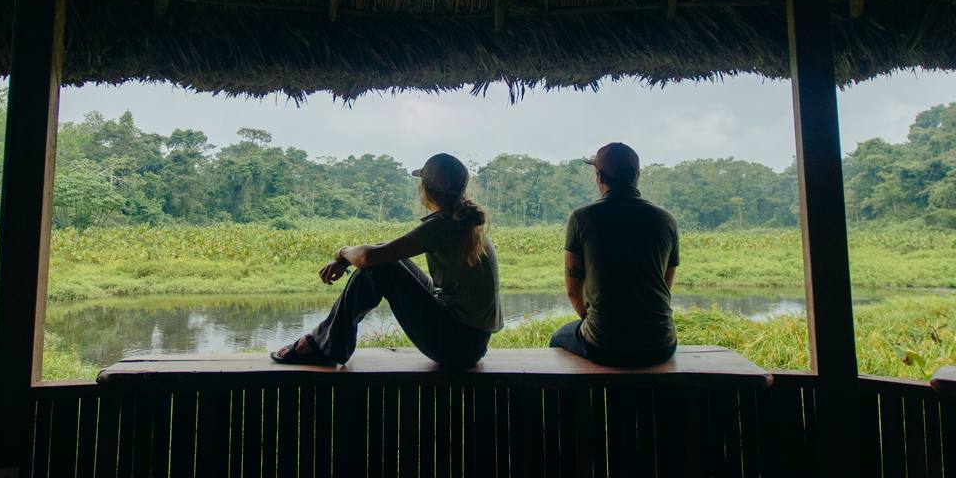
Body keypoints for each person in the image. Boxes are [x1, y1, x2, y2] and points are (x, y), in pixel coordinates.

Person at [271, 152, 501, 369]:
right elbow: (379, 252)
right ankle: (326, 342)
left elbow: (368, 257)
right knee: (384, 258)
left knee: (379, 268)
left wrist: (342, 253)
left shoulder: (444, 225)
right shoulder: (465, 220)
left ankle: (324, 347)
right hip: (470, 342)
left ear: (427, 189)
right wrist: (348, 262)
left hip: (456, 347)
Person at [550, 142, 680, 366]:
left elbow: (573, 291)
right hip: (661, 343)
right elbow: (664, 286)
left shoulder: (582, 218)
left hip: (605, 345)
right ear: (637, 175)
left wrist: (595, 323)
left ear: (599, 176)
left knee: (558, 338)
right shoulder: (665, 220)